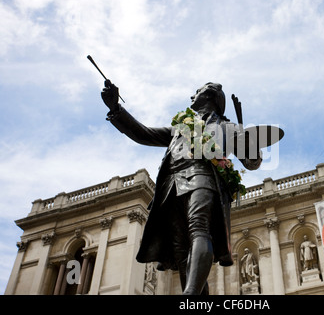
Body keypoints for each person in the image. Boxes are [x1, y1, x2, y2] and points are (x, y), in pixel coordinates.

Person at [100, 81, 262, 295]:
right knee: (181, 251)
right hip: (172, 186)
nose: (192, 96)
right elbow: (144, 134)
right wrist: (115, 109)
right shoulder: (181, 127)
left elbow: (252, 163)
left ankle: (190, 294)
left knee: (199, 226)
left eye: (198, 91)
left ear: (211, 96)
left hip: (204, 178)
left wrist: (246, 142)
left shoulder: (226, 127)